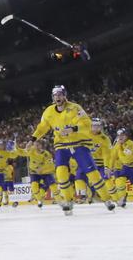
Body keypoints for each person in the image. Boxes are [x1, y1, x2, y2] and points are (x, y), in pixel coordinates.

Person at [31, 85, 115, 215]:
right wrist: (33, 139)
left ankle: (107, 200)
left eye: (60, 94)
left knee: (92, 174)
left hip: (79, 143)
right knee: (61, 173)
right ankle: (68, 201)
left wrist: (73, 129)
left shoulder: (75, 108)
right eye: (55, 95)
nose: (57, 97)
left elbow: (87, 123)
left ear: (65, 95)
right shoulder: (48, 111)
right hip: (61, 145)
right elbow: (43, 126)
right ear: (52, 97)